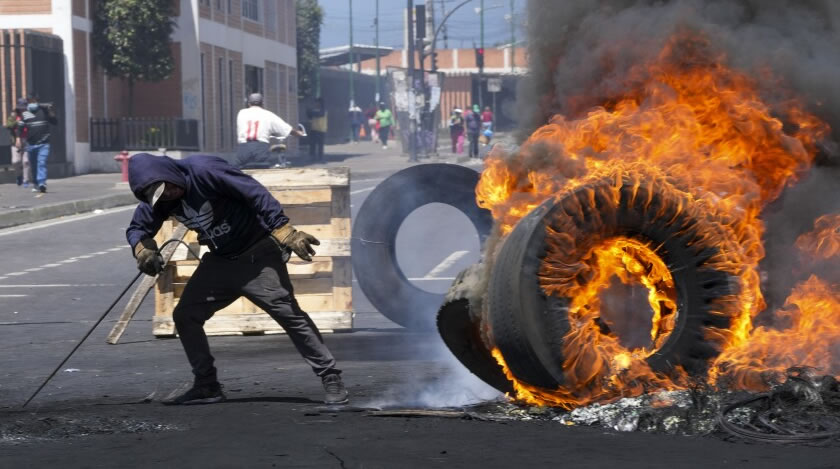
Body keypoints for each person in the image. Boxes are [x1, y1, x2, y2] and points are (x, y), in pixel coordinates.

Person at [125, 152, 349, 406]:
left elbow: (255, 192)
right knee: (185, 316)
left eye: (167, 188)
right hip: (220, 260)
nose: (167, 195)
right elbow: (137, 228)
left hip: (258, 255)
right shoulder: (158, 199)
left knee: (289, 314)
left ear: (170, 173)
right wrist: (143, 250)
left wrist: (285, 230)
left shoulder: (205, 170)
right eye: (158, 195)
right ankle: (207, 385)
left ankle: (330, 376)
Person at [235, 93, 303, 169]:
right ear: (262, 103)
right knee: (262, 171)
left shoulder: (241, 113)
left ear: (248, 103)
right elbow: (286, 129)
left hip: (243, 149)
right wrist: (298, 133)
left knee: (240, 172)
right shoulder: (268, 114)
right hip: (260, 149)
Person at [22, 95, 58, 193]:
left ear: (37, 102)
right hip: (30, 144)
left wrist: (50, 110)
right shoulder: (25, 113)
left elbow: (54, 122)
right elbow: (21, 127)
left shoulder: (44, 111)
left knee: (41, 163)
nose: (31, 104)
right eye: (29, 102)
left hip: (44, 143)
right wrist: (18, 139)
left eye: (33, 101)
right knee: (33, 165)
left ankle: (42, 183)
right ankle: (36, 183)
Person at [4, 98, 31, 187]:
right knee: (16, 161)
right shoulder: (14, 115)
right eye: (21, 108)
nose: (22, 109)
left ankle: (25, 180)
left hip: (26, 139)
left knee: (26, 161)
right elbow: (8, 125)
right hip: (15, 141)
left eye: (24, 107)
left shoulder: (29, 114)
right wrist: (17, 122)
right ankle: (19, 176)